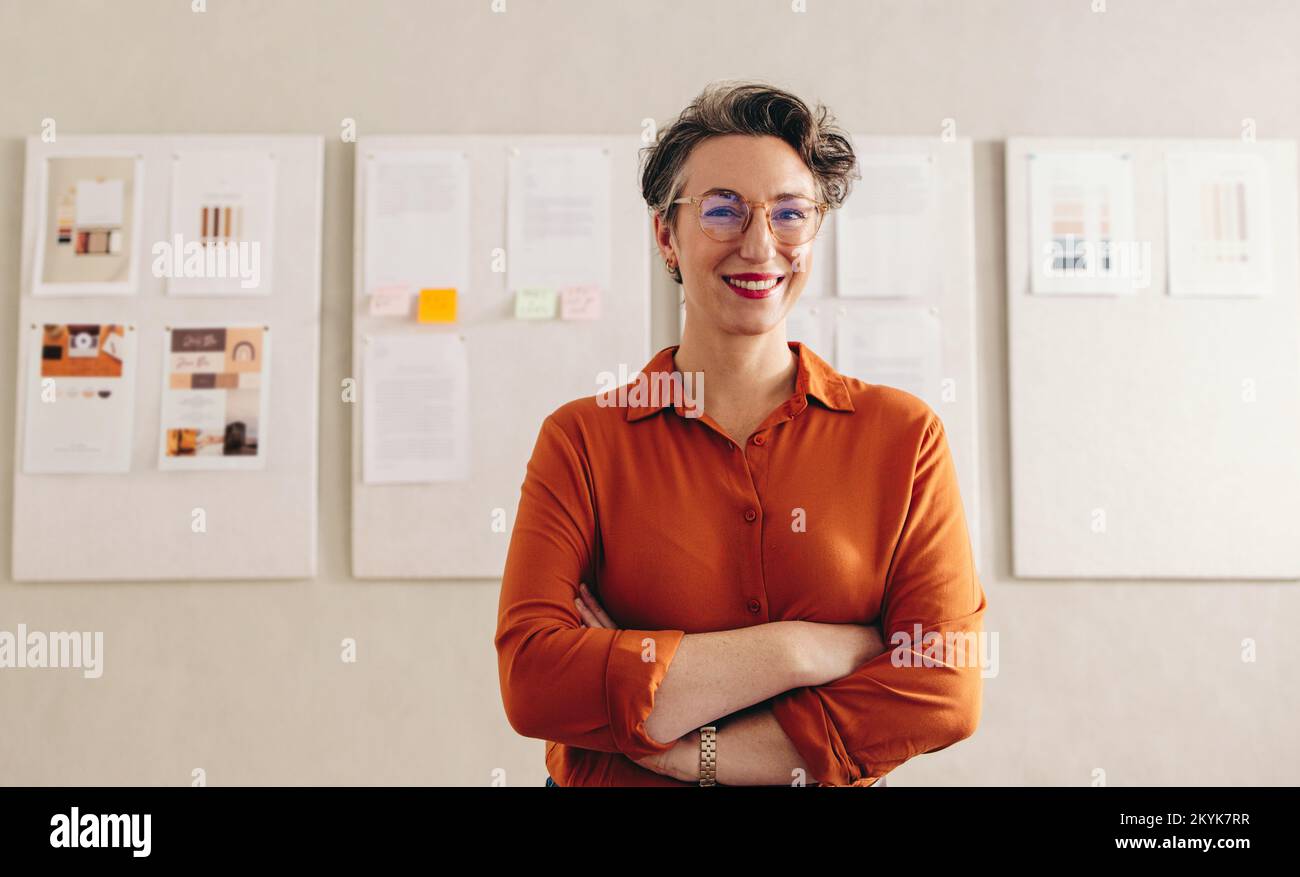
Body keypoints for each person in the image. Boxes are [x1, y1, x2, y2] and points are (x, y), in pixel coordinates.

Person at [496, 80, 986, 787]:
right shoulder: (581, 441)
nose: (760, 245)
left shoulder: (903, 437)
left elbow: (944, 688)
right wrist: (800, 651)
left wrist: (674, 741)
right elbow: (535, 679)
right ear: (667, 234)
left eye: (790, 213)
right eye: (722, 210)